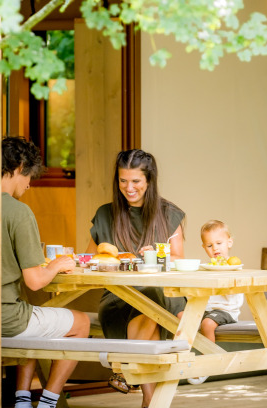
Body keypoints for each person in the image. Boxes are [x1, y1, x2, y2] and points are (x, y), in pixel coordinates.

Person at [86, 149, 186, 408]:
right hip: (119, 297)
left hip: (163, 295)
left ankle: (130, 374)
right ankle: (149, 398)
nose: (128, 188)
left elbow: (178, 261)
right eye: (122, 181)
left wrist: (156, 257)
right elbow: (90, 260)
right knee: (148, 311)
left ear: (149, 181)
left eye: (136, 181)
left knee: (152, 300)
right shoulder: (105, 214)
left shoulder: (168, 214)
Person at [0, 136, 90, 408]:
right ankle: (48, 403)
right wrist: (56, 265)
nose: (29, 184)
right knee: (81, 323)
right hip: (2, 320)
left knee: (32, 314)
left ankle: (23, 400)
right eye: (30, 176)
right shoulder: (18, 212)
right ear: (20, 167)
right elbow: (35, 281)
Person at [185, 220, 244, 385]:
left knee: (208, 324)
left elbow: (232, 292)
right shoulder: (207, 267)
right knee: (183, 316)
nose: (215, 248)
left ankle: (207, 362)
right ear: (204, 247)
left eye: (219, 243)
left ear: (229, 242)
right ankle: (181, 359)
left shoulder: (233, 266)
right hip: (208, 308)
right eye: (209, 246)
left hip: (227, 310)